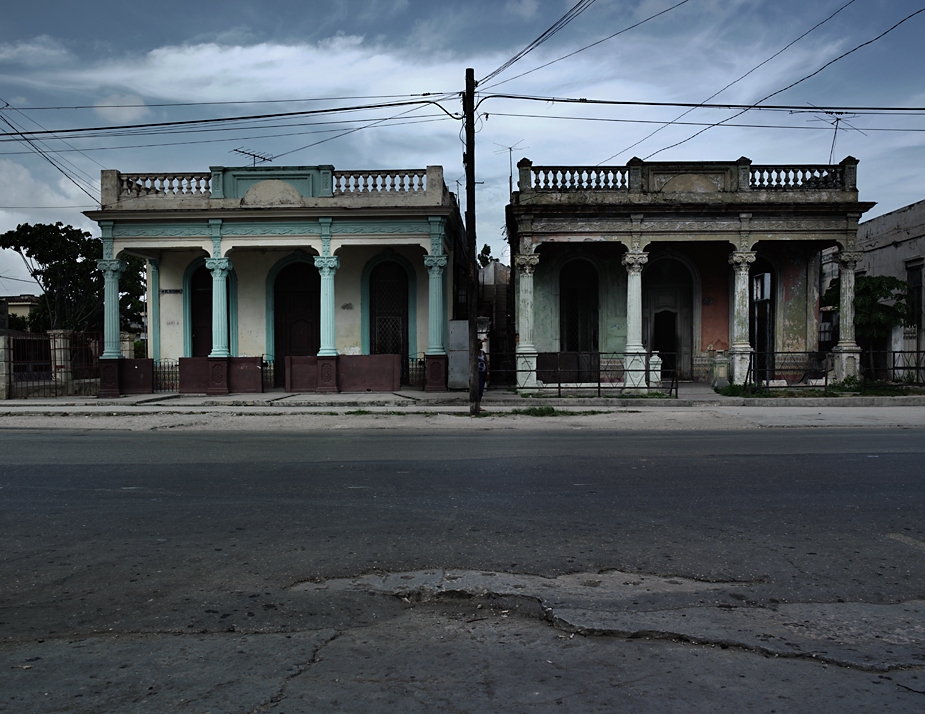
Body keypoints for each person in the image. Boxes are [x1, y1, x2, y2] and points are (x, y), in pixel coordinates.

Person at [477, 339, 489, 413]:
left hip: (482, 372)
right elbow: (474, 346)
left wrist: (487, 373)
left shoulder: (482, 353)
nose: (481, 345)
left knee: (481, 389)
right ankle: (476, 405)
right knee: (477, 389)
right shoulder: (474, 352)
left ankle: (478, 405)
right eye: (480, 344)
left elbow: (486, 363)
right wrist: (481, 341)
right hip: (476, 373)